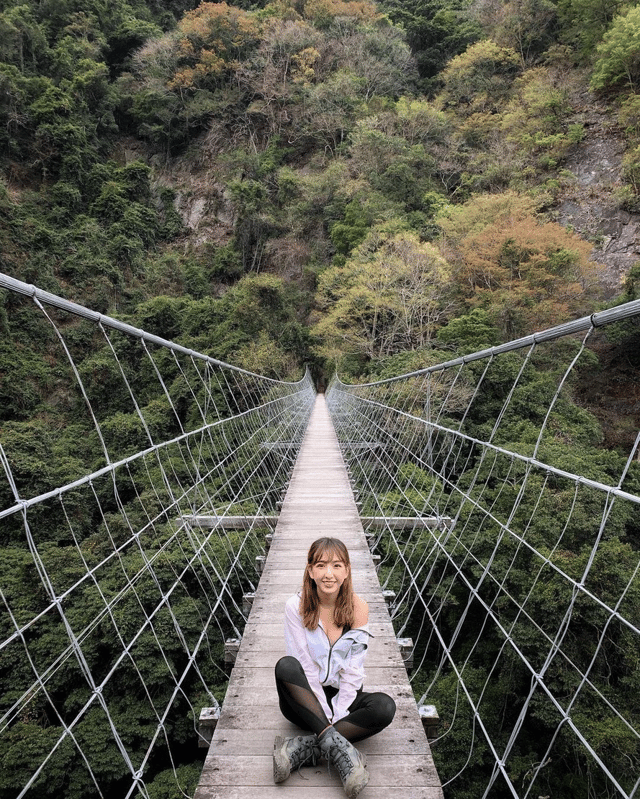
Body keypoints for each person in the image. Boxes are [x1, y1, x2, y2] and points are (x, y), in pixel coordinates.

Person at [273, 537, 396, 799]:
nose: (329, 574)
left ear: (347, 571)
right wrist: (325, 712)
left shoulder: (359, 608)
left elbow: (354, 670)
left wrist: (338, 712)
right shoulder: (294, 606)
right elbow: (303, 664)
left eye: (337, 565)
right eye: (321, 565)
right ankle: (338, 747)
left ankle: (302, 747)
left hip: (342, 697)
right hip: (303, 700)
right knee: (286, 666)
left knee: (385, 707)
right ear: (310, 571)